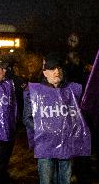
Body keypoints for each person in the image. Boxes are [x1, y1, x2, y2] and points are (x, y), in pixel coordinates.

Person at [23, 52, 91, 184]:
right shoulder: (34, 91)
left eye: (59, 68)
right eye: (52, 69)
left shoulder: (71, 90)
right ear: (45, 73)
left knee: (65, 180)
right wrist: (45, 130)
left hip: (66, 145)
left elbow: (79, 115)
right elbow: (27, 118)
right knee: (47, 181)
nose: (57, 72)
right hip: (46, 146)